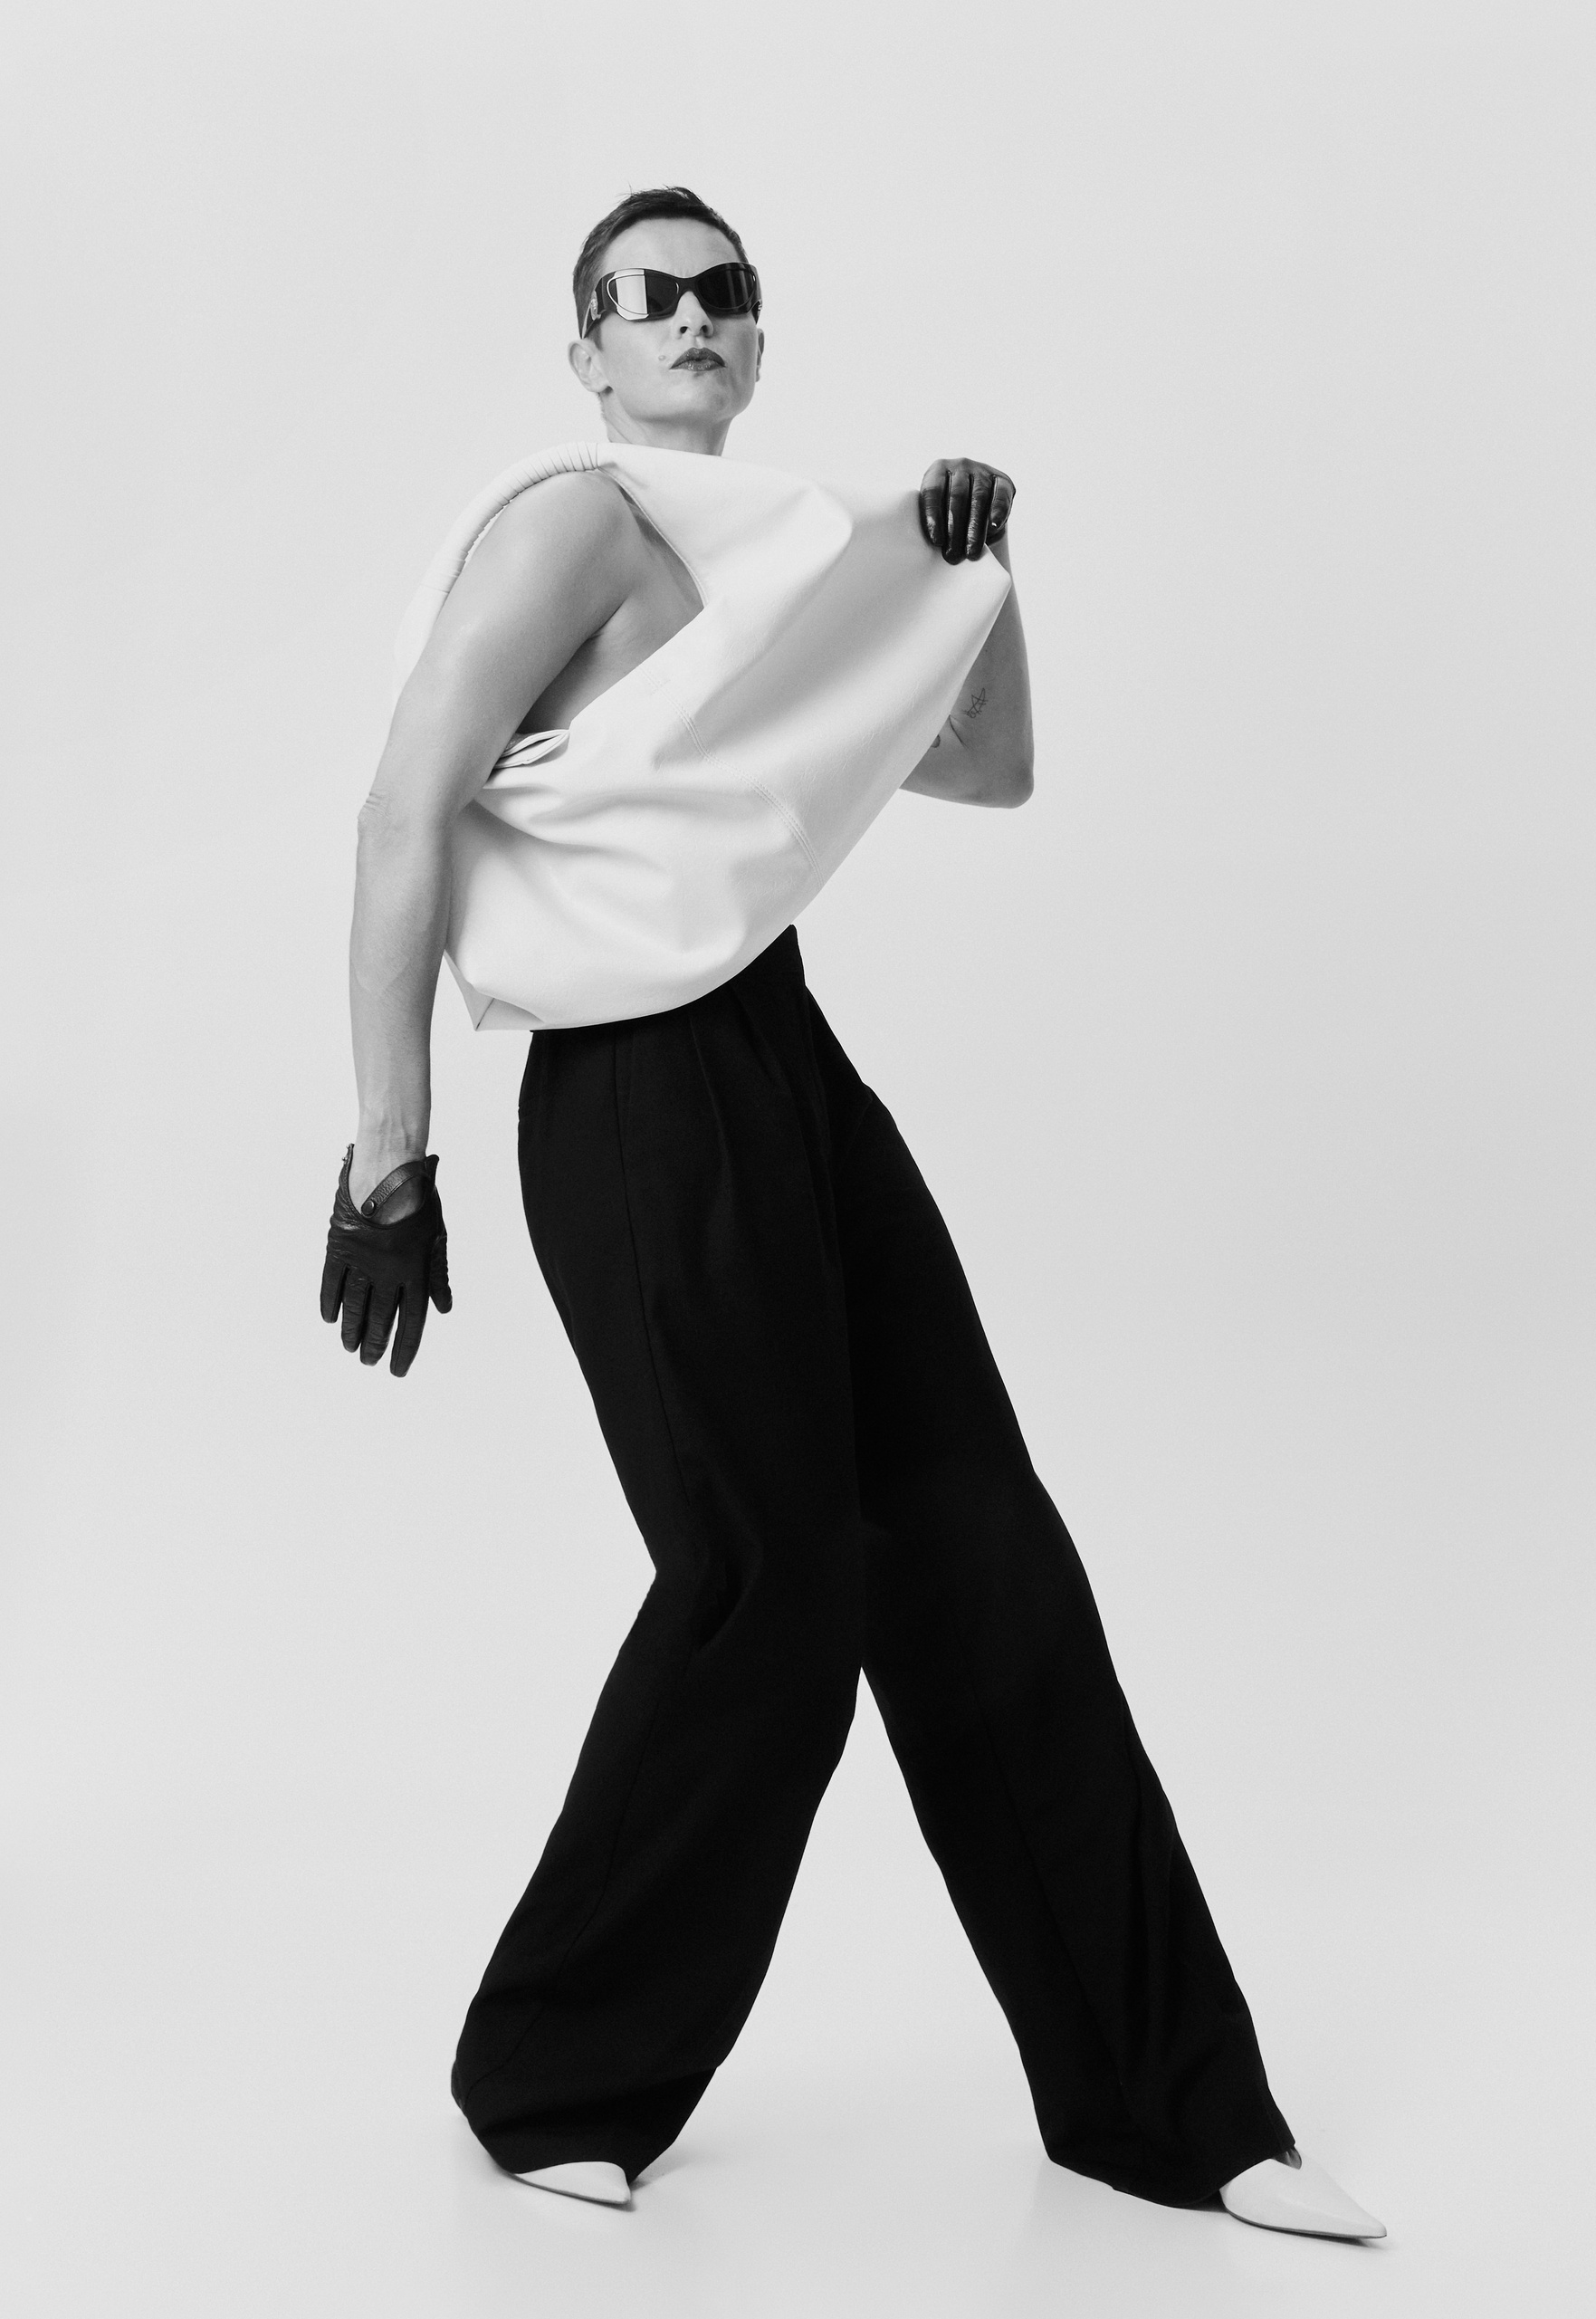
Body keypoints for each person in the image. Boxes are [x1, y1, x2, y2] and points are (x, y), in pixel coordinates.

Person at [320, 185, 1384, 2244]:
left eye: (724, 292)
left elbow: (988, 772)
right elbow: (400, 806)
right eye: (648, 296)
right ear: (589, 350)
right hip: (632, 1090)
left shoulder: (802, 567)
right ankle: (549, 2072)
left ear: (758, 335)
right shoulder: (571, 526)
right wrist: (389, 1153)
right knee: (767, 1582)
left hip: (783, 1062)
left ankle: (1169, 2107)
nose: (692, 317)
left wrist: (980, 582)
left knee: (981, 1546)